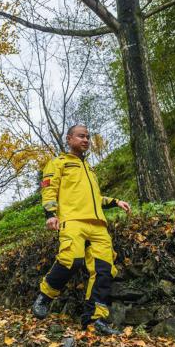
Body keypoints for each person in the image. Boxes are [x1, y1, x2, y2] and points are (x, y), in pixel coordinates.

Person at [31, 125, 131, 335]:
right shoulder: (58, 163)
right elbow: (49, 189)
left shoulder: (90, 169)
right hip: (72, 220)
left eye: (87, 137)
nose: (85, 140)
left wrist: (115, 201)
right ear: (69, 139)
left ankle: (95, 320)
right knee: (71, 260)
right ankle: (44, 296)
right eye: (81, 136)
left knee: (104, 270)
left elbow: (95, 198)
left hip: (98, 225)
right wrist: (50, 215)